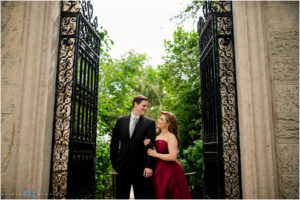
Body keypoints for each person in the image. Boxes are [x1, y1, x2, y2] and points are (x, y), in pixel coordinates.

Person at [110, 95, 156, 199]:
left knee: (142, 196)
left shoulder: (150, 123)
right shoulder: (121, 121)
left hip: (141, 168)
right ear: (135, 104)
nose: (146, 108)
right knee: (121, 196)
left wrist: (149, 166)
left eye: (147, 106)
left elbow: (151, 146)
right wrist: (114, 164)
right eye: (143, 106)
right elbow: (114, 143)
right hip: (122, 167)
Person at [144, 111, 193, 199]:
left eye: (161, 119)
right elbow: (150, 148)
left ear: (168, 123)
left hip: (170, 171)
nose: (158, 120)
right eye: (159, 118)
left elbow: (173, 156)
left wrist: (156, 154)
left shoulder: (171, 136)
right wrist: (146, 143)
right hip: (158, 169)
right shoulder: (156, 133)